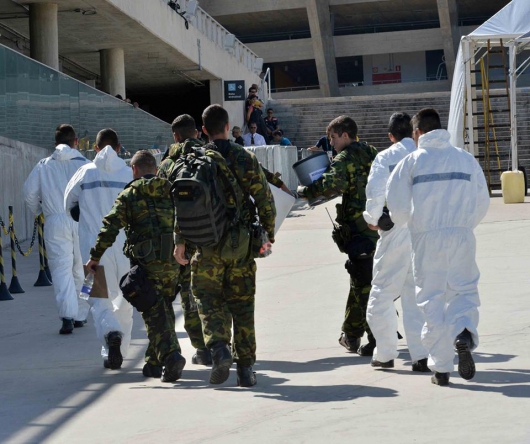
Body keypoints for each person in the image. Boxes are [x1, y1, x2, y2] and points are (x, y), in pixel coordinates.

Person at [174, 104, 276, 387]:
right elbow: (265, 200)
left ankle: (219, 349)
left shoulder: (195, 160)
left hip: (205, 248)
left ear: (203, 130)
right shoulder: (244, 157)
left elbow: (183, 205)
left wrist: (180, 241)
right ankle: (245, 370)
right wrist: (268, 237)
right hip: (241, 248)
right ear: (227, 125)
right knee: (243, 307)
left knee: (208, 302)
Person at [386, 108, 490, 386]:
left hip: (426, 236)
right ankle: (464, 332)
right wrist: (466, 226)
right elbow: (482, 199)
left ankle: (441, 368)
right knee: (464, 289)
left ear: (417, 132)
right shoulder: (465, 158)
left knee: (430, 298)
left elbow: (395, 202)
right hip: (462, 235)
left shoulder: (412, 161)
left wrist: (406, 222)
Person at [86, 151, 186, 383]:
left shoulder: (130, 194)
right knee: (163, 307)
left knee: (153, 312)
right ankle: (153, 362)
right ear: (156, 167)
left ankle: (171, 355)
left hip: (146, 264)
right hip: (173, 261)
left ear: (134, 169)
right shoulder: (171, 190)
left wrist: (95, 256)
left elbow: (110, 226)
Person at [297, 116, 379, 356]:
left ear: (345, 135)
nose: (330, 143)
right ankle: (352, 334)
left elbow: (331, 185)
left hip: (359, 229)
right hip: (379, 227)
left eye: (333, 137)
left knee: (365, 284)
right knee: (365, 280)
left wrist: (306, 191)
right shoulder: (373, 152)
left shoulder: (345, 158)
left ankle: (375, 336)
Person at [362, 112, 429, 371]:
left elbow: (376, 192)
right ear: (414, 133)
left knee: (380, 295)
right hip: (423, 231)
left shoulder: (386, 157)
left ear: (390, 136)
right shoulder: (425, 155)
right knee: (415, 296)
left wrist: (374, 218)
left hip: (395, 230)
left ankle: (386, 353)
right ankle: (421, 355)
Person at [64, 128, 134, 370]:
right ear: (119, 147)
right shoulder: (128, 172)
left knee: (98, 300)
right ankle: (119, 351)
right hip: (126, 249)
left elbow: (68, 203)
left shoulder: (84, 172)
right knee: (126, 300)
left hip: (94, 253)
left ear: (94, 148)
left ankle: (111, 336)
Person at [23, 124, 90, 334]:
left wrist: (39, 212)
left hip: (55, 220)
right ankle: (81, 313)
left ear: (55, 143)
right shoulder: (87, 165)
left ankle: (67, 316)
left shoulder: (44, 165)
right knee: (85, 270)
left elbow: (29, 193)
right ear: (76, 141)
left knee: (61, 271)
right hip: (81, 220)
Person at [157, 114, 213, 366]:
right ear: (197, 132)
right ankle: (221, 343)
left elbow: (158, 201)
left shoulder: (168, 164)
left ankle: (202, 349)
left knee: (188, 297)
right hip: (212, 237)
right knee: (214, 295)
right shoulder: (211, 156)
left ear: (176, 136)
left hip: (180, 242)